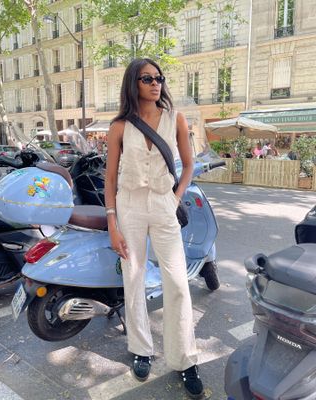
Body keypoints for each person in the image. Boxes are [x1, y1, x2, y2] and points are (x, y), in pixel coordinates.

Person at [104, 58, 204, 399]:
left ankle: (185, 359)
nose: (155, 83)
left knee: (176, 281)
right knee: (133, 280)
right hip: (129, 206)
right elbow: (110, 179)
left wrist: (175, 200)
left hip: (163, 205)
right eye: (147, 78)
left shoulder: (174, 118)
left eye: (159, 78)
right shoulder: (119, 126)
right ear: (133, 84)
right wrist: (112, 223)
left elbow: (189, 165)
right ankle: (141, 349)